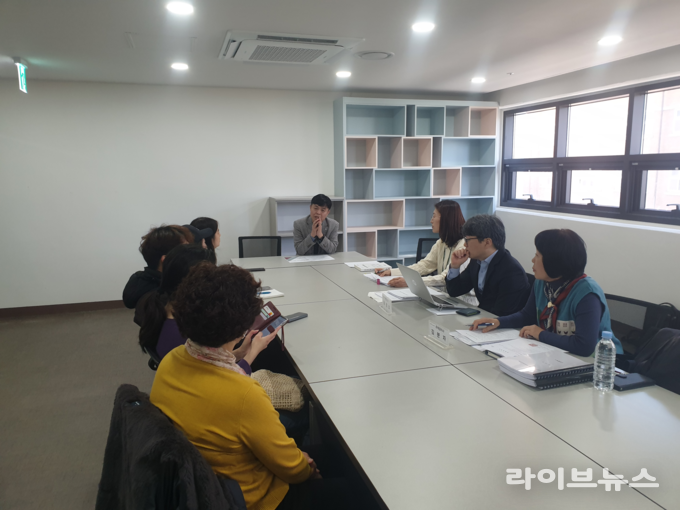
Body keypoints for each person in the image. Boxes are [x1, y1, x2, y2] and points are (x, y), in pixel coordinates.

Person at [150, 263, 332, 510]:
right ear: (242, 327)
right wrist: (308, 469)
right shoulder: (244, 394)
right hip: (251, 498)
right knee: (346, 487)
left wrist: (239, 353)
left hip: (203, 484)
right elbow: (292, 469)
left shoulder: (171, 360)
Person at [470, 229, 623, 357]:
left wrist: (540, 334)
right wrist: (498, 322)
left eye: (537, 256)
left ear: (554, 261)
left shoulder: (586, 293)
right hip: (557, 354)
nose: (532, 260)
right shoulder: (542, 283)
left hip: (600, 363)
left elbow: (584, 346)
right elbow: (527, 315)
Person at [374, 200, 473, 293]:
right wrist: (391, 272)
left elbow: (445, 278)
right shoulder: (441, 243)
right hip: (444, 296)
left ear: (445, 219)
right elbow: (424, 266)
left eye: (434, 216)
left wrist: (411, 282)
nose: (431, 221)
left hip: (461, 300)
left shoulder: (464, 247)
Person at [445, 214, 529, 316]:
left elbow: (502, 313)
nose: (464, 245)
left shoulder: (511, 271)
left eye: (467, 240)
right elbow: (454, 291)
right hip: (484, 318)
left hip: (500, 322)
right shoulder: (476, 261)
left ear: (487, 242)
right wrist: (455, 266)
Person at [122, 224, 193, 310]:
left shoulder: (142, 281)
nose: (190, 254)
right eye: (185, 250)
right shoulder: (163, 297)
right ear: (166, 259)